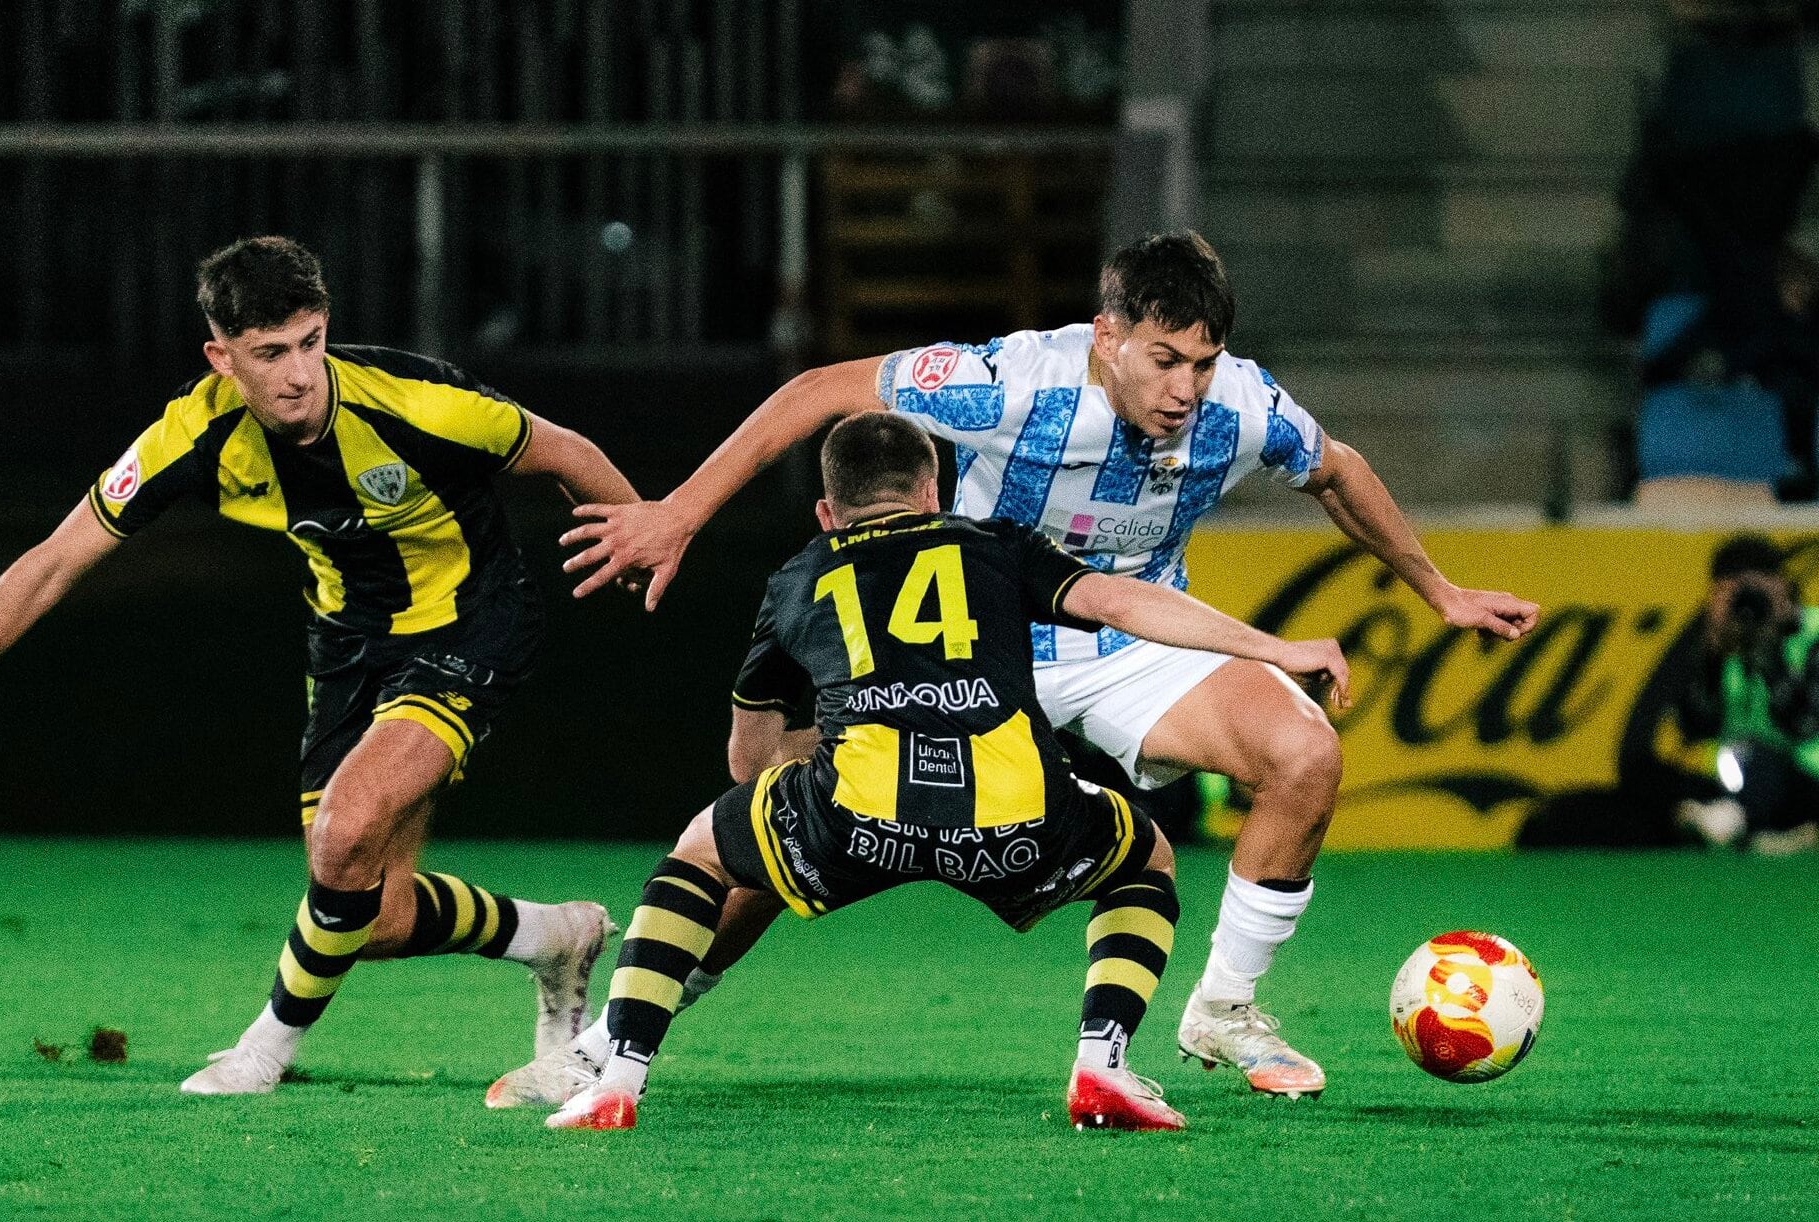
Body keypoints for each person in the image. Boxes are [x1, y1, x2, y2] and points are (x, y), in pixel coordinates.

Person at [547, 231, 1538, 1100]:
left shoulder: (1241, 404)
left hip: (1129, 636)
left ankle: (1225, 1007)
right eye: (1164, 360)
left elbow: (1338, 470)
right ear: (1106, 336)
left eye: (1202, 362)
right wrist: (679, 512)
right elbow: (816, 392)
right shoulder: (1012, 382)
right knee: (787, 824)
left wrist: (1438, 590)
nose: (1185, 388)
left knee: (1305, 754)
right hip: (971, 648)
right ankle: (614, 1040)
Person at [0, 235, 637, 1094]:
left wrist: (642, 532)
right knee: (368, 915)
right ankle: (556, 937)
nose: (298, 374)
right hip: (348, 644)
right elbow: (55, 560)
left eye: (310, 342)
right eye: (269, 354)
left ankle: (264, 1049)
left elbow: (569, 453)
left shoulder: (420, 404)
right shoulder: (195, 434)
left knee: (343, 834)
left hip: (470, 623)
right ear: (222, 358)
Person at [544, 411, 1349, 1132]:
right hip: (1016, 821)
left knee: (701, 852)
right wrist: (1272, 648)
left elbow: (747, 761)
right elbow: (1116, 603)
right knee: (1147, 862)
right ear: (933, 495)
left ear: (826, 513)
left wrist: (826, 761)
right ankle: (1102, 1065)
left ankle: (618, 1077)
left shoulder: (797, 576)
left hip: (858, 820)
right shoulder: (996, 543)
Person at [1673, 534, 1819, 851]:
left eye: (1757, 590)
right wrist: (1712, 656)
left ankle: (1732, 821)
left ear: (1782, 586)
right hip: (1740, 772)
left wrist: (1769, 650)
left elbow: (1803, 725)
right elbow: (1694, 729)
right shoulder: (1718, 641)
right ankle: (1758, 827)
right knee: (1653, 773)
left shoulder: (1813, 634)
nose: (1747, 602)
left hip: (1805, 776)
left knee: (1761, 759)